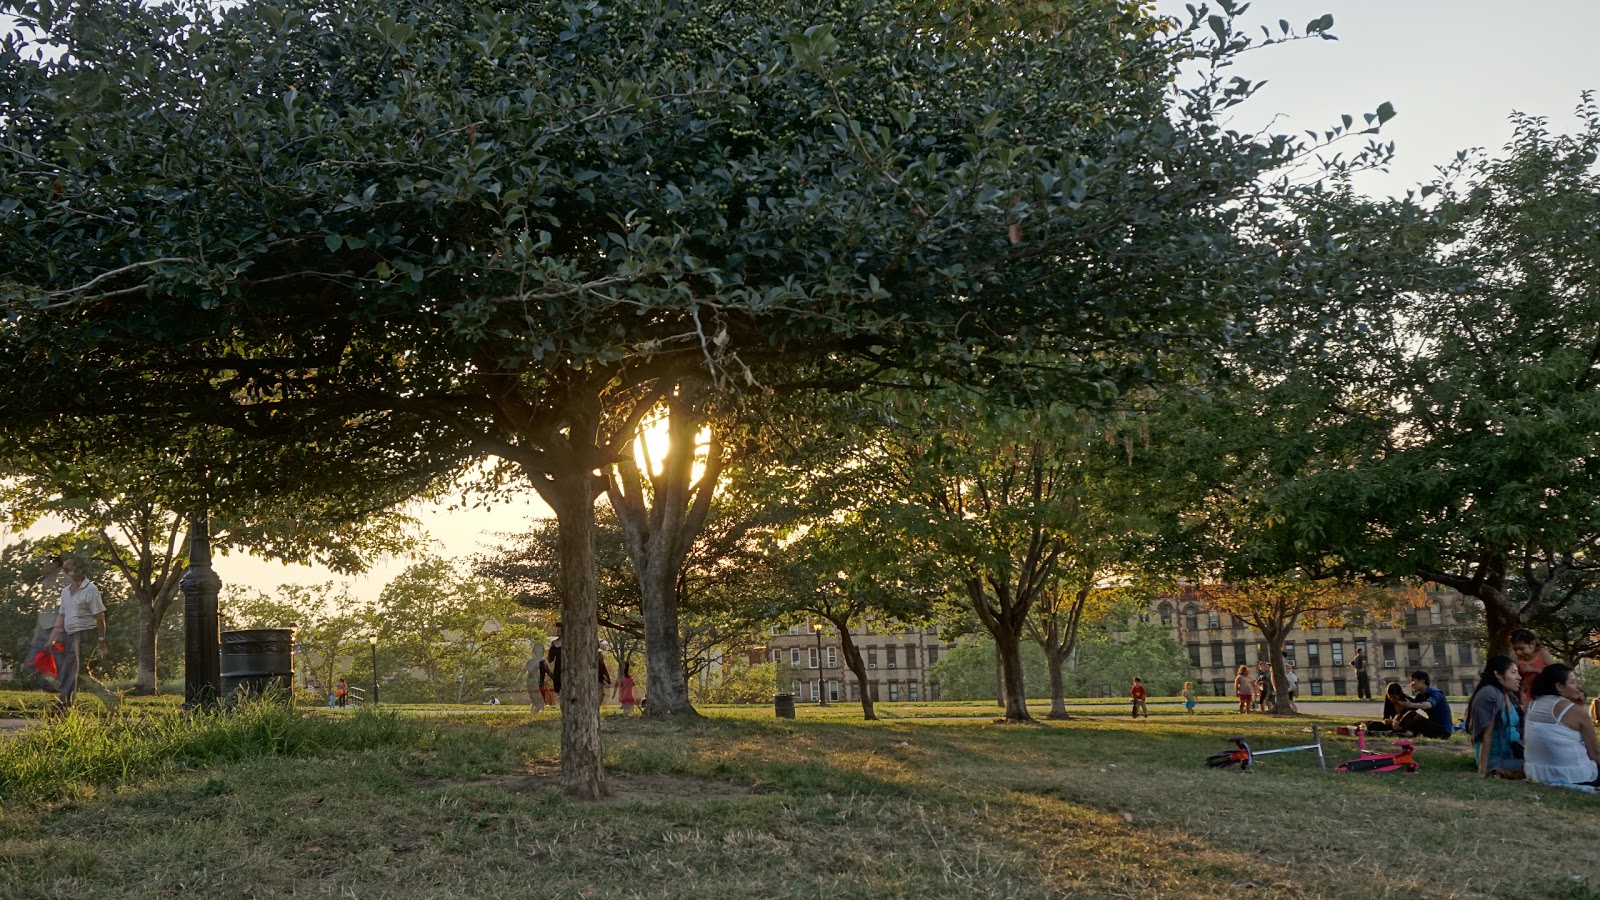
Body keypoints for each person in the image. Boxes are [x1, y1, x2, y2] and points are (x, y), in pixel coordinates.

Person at [47, 557, 119, 715]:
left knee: (77, 672)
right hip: (71, 635)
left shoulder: (90, 590)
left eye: (67, 570)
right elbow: (61, 615)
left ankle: (63, 707)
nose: (64, 573)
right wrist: (53, 636)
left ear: (79, 571)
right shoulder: (65, 591)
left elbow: (100, 616)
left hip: (87, 635)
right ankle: (65, 706)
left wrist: (101, 640)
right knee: (70, 671)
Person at [1523, 664, 1600, 788]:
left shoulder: (1532, 706)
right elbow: (1595, 753)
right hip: (1574, 776)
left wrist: (1578, 706)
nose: (1578, 687)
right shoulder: (1576, 711)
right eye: (1573, 682)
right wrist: (1579, 709)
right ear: (1559, 686)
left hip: (1536, 774)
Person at [1466, 655, 1524, 778]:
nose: (1519, 677)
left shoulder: (1507, 694)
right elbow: (1486, 736)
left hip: (1512, 754)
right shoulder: (1489, 694)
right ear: (1497, 674)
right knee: (1542, 767)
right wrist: (1482, 771)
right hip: (1495, 761)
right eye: (1513, 673)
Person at [22, 553, 65, 689]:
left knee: (59, 665)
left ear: (55, 564)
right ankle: (50, 688)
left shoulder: (66, 581)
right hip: (43, 629)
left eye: (45, 562)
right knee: (30, 664)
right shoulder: (44, 583)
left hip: (60, 630)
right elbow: (43, 610)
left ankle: (59, 692)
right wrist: (37, 631)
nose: (41, 565)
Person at [1392, 670, 1453, 739]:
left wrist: (1410, 705)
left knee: (1412, 714)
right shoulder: (1420, 696)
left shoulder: (1436, 693)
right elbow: (1407, 710)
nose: (1411, 684)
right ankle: (1398, 731)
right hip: (1432, 727)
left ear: (1422, 681)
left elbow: (1428, 705)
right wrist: (1395, 721)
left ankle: (1398, 732)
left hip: (1444, 731)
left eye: (1413, 681)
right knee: (1412, 715)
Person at [1510, 628, 1556, 711]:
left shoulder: (1542, 653)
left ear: (1533, 644)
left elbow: (1555, 673)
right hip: (1528, 698)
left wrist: (1534, 669)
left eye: (1521, 648)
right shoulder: (1518, 661)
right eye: (1515, 649)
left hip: (1546, 696)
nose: (1518, 652)